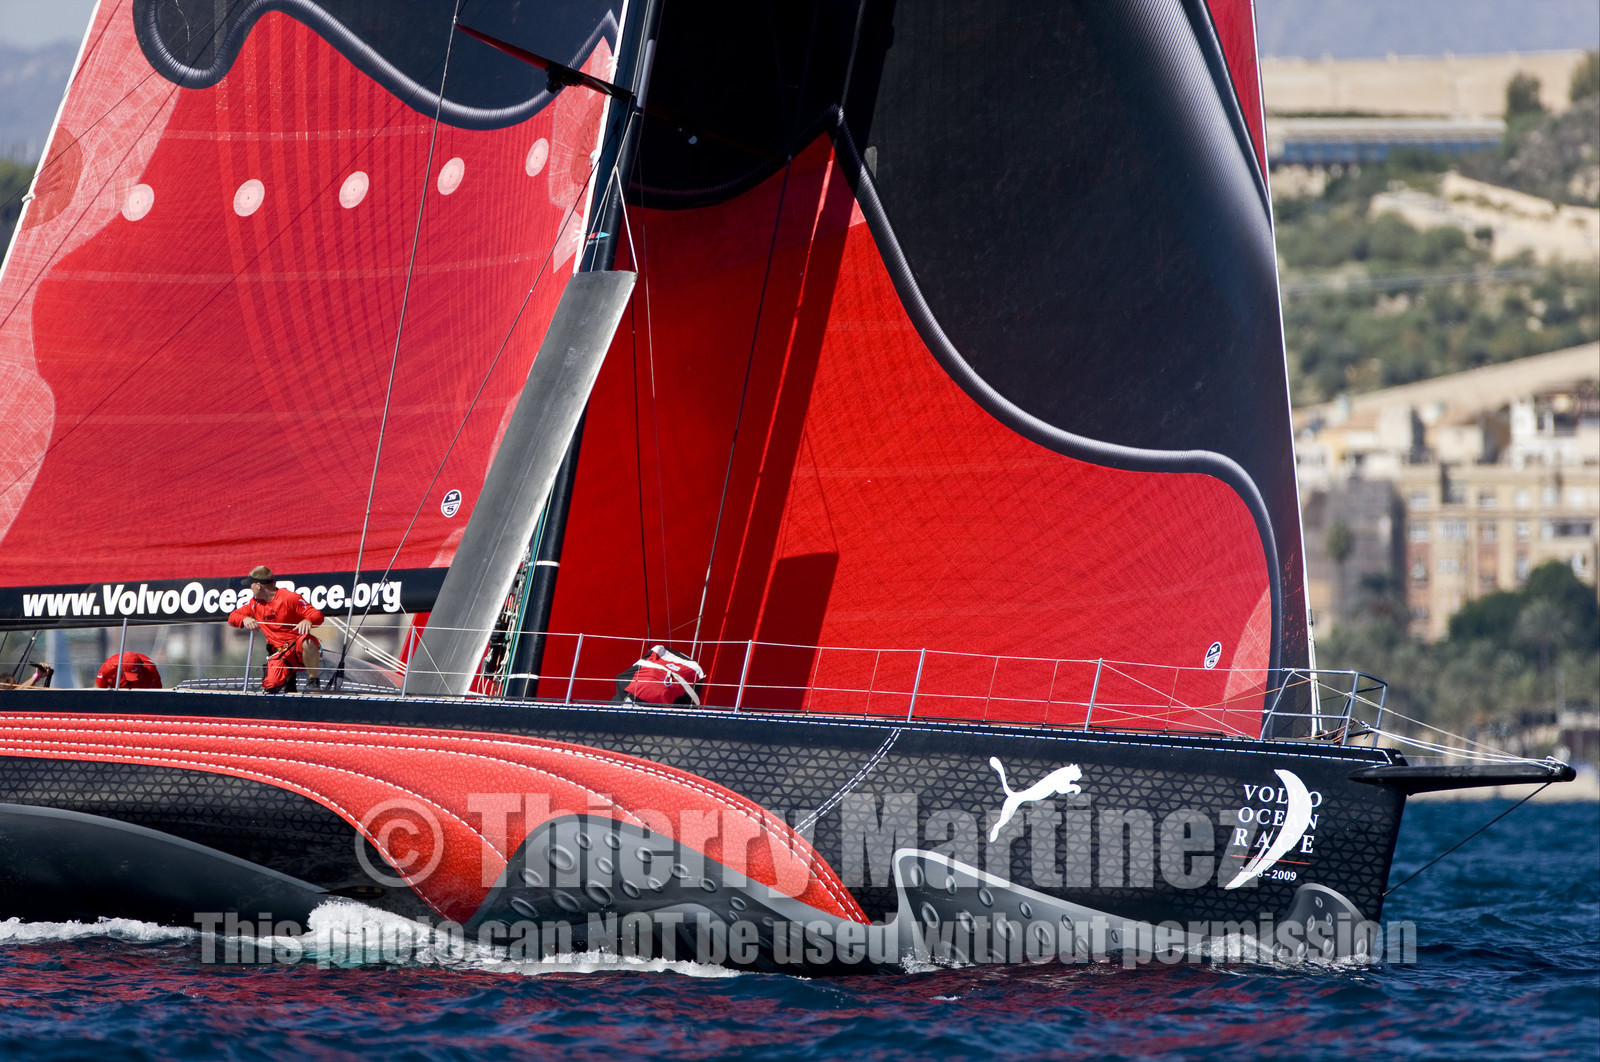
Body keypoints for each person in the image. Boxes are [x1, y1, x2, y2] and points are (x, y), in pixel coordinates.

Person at [228, 565, 325, 692]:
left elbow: (317, 615)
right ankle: (285, 680)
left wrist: (309, 620)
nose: (250, 588)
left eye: (250, 585)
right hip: (278, 653)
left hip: (297, 649)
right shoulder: (254, 603)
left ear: (258, 585)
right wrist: (244, 619)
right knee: (271, 685)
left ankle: (313, 680)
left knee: (307, 641)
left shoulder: (290, 598)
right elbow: (232, 617)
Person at [95, 652, 162, 689]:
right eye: (129, 675)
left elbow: (157, 694)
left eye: (136, 674)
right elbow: (98, 691)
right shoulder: (108, 668)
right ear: (121, 669)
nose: (131, 680)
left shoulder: (150, 669)